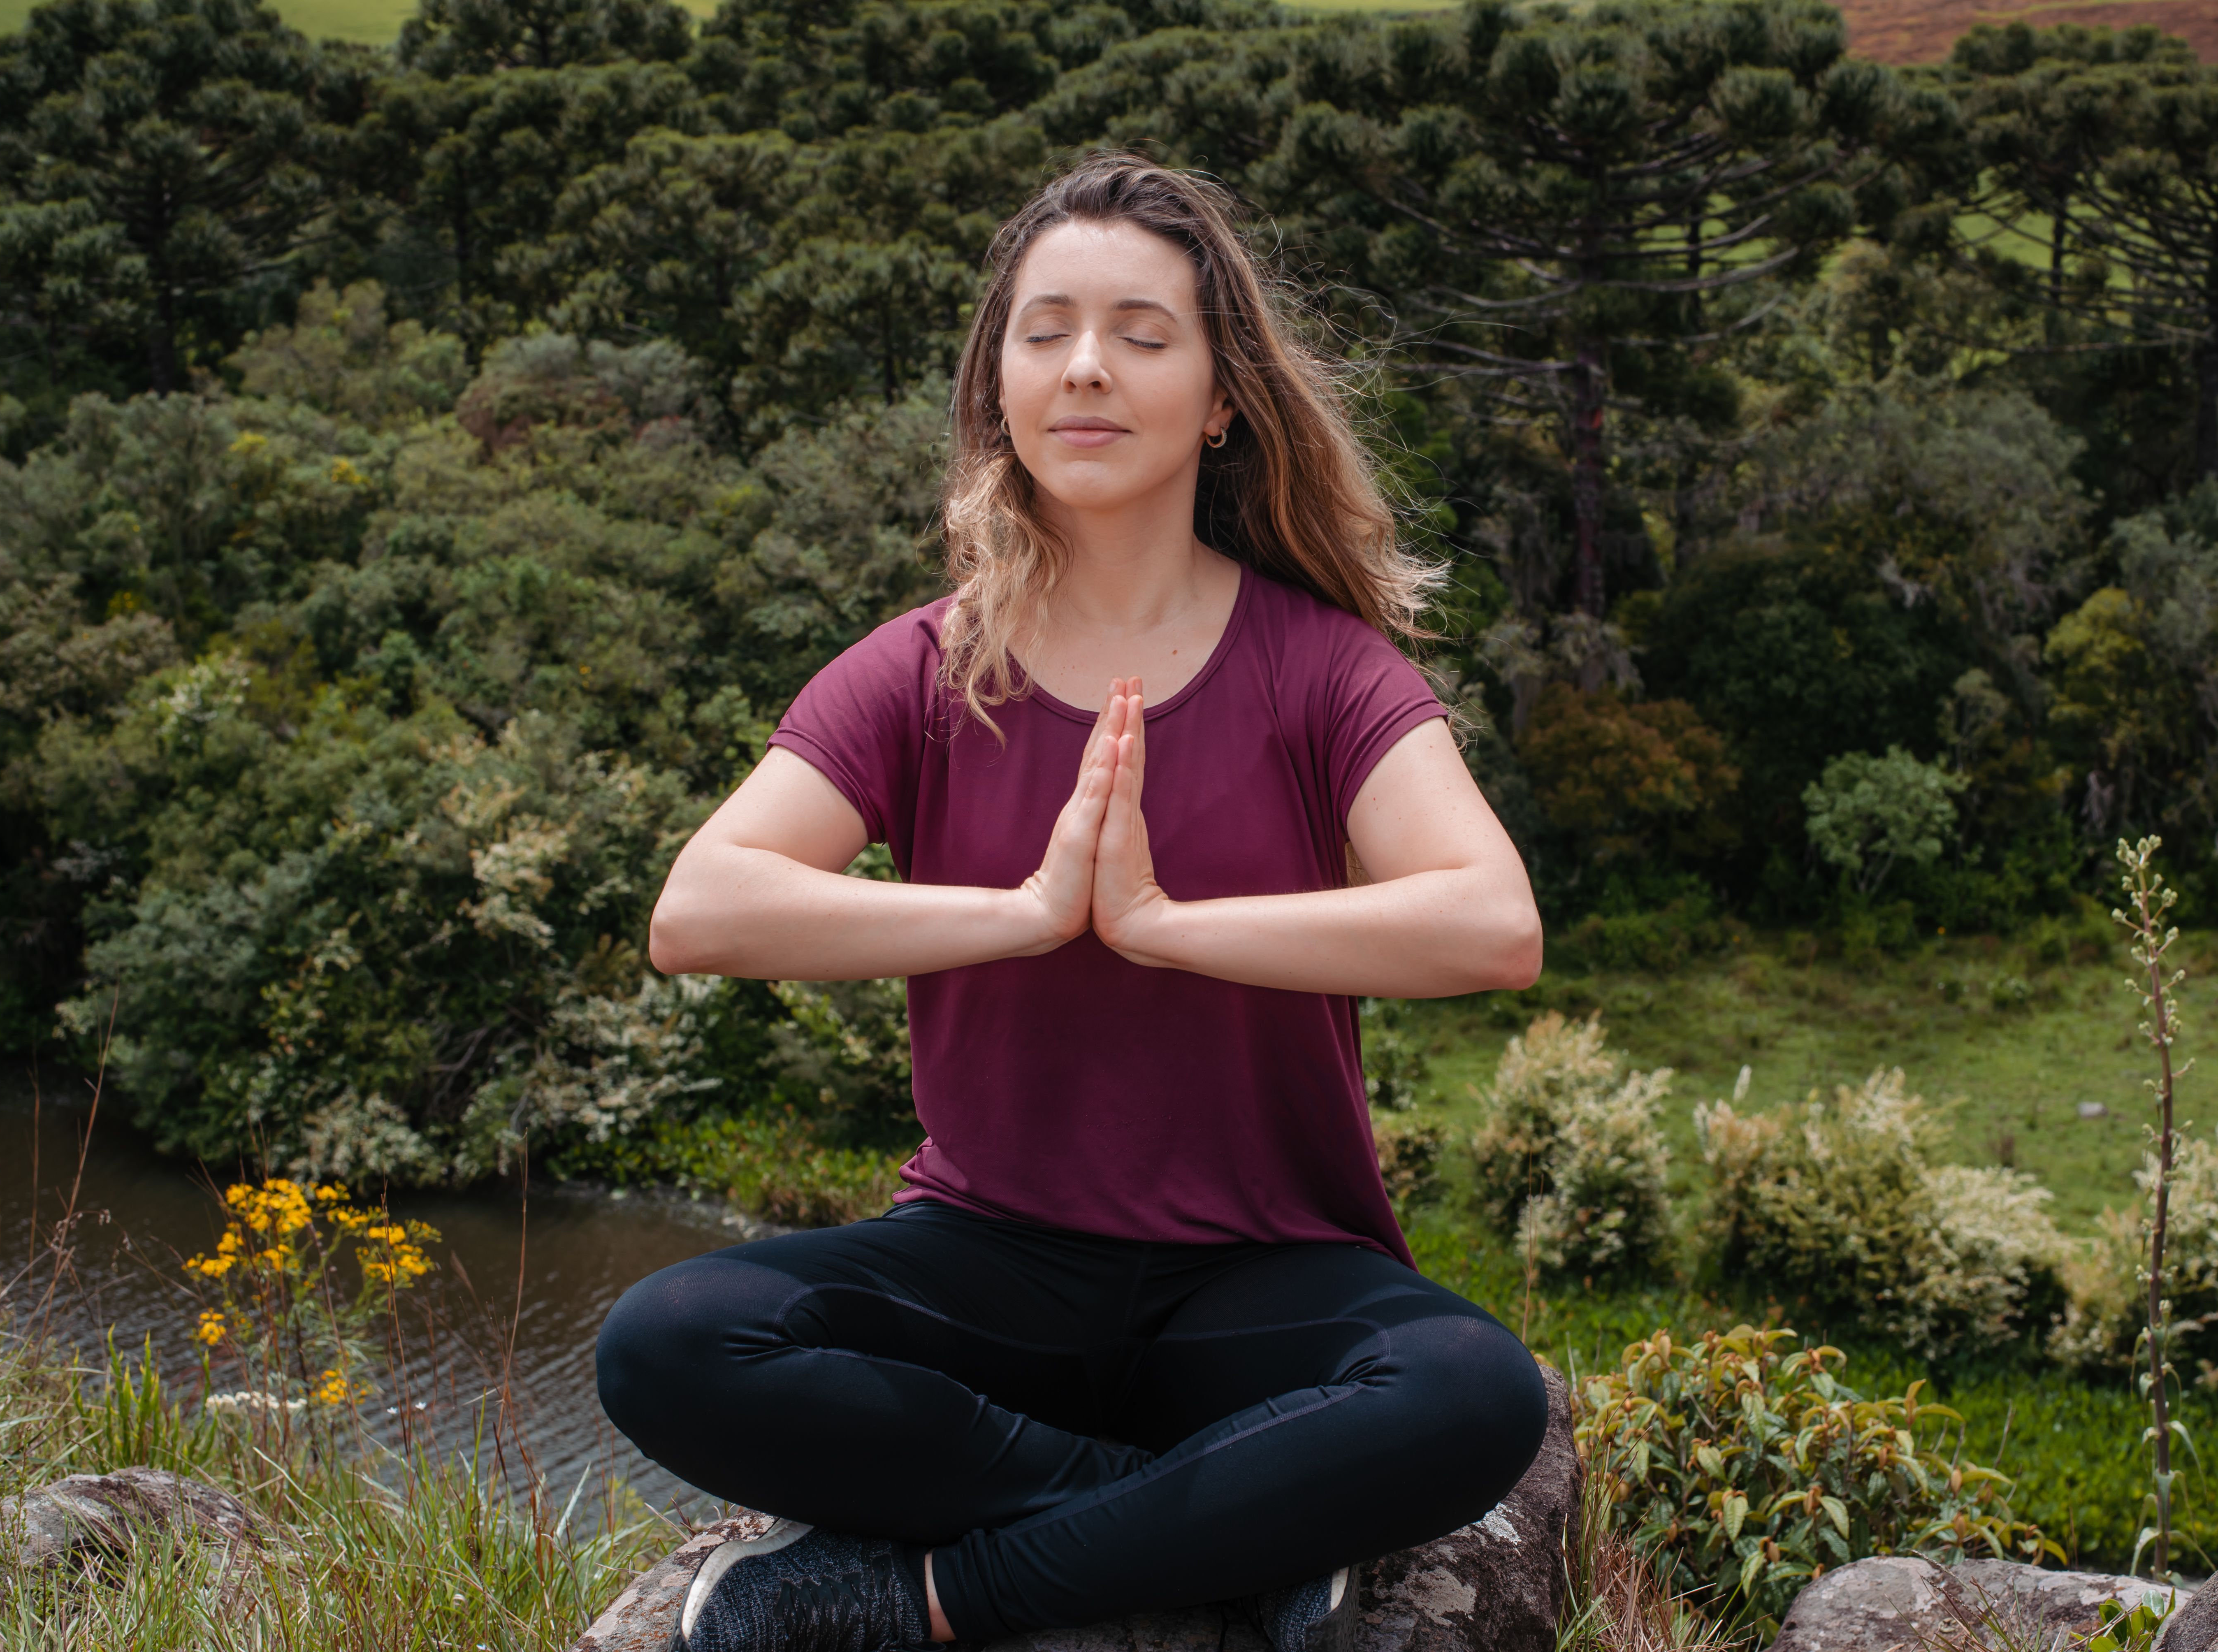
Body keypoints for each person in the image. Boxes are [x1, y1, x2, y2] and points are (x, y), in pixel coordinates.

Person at [596, 155, 1548, 1652]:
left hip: (1267, 1280)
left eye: (1141, 333)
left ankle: (928, 1598)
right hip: (989, 1263)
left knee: (1474, 1397)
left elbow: (1493, 922)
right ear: (999, 384)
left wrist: (1162, 926)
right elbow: (701, 909)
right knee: (667, 1344)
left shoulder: (1324, 668)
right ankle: (1206, 1525)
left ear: (1223, 396)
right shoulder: (923, 669)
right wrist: (1032, 909)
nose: (1086, 367)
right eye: (1044, 331)